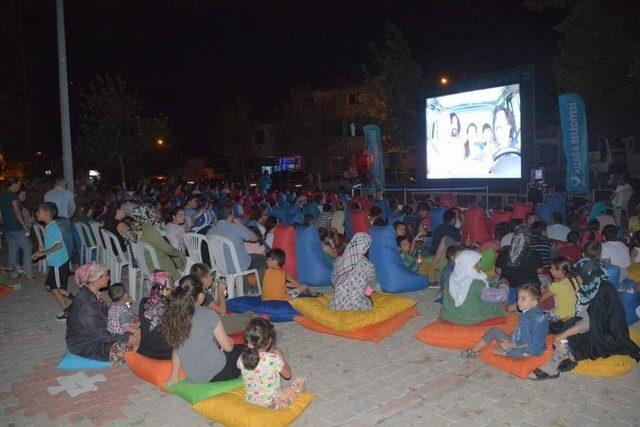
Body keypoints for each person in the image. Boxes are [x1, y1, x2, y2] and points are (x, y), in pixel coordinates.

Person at [530, 258, 640, 379]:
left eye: (578, 276)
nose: (577, 278)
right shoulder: (596, 286)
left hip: (609, 336)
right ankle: (571, 356)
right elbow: (587, 314)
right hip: (601, 327)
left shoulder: (603, 293)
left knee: (569, 338)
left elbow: (589, 322)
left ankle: (552, 367)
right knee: (568, 324)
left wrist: (564, 334)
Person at [163, 275, 245, 385]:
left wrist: (173, 377)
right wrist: (230, 340)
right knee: (245, 349)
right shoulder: (208, 314)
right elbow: (228, 348)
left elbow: (176, 347)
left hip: (194, 377)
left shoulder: (175, 315)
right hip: (220, 372)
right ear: (200, 296)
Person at [66, 262, 137, 364]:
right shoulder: (88, 304)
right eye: (105, 275)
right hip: (86, 344)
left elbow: (103, 315)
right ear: (96, 279)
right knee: (128, 348)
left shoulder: (92, 293)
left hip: (98, 332)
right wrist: (127, 336)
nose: (108, 278)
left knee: (131, 319)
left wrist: (122, 310)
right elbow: (101, 336)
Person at [462, 283, 548, 359]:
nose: (518, 301)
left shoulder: (526, 318)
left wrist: (510, 345)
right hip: (538, 348)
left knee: (495, 332)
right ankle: (475, 351)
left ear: (534, 303)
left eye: (523, 299)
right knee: (498, 333)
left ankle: (472, 351)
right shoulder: (538, 312)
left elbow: (528, 343)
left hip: (526, 351)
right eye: (518, 297)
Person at [238, 318, 307, 409]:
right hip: (272, 403)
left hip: (251, 400)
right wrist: (282, 358)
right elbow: (288, 375)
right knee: (301, 380)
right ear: (270, 340)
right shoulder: (272, 359)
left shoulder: (242, 357)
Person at [440, 250, 506, 324]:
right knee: (497, 303)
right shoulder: (476, 283)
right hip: (472, 318)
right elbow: (500, 296)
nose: (480, 265)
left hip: (450, 315)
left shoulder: (450, 278)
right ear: (469, 265)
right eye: (476, 263)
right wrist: (504, 285)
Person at [207, 206, 266, 285]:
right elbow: (255, 238)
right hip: (238, 265)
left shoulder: (210, 232)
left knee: (244, 257)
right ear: (230, 216)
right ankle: (254, 287)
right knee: (263, 259)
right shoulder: (236, 227)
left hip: (220, 266)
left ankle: (242, 285)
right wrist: (240, 225)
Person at [32, 203, 70, 319]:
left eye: (39, 211)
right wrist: (41, 252)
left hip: (58, 262)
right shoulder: (49, 226)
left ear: (46, 214)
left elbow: (58, 246)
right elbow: (53, 244)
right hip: (55, 262)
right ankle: (76, 300)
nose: (37, 213)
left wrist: (43, 253)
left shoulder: (52, 227)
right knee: (50, 286)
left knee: (56, 288)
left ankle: (68, 311)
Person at [189, 262, 252, 333]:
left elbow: (215, 307)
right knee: (247, 318)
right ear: (204, 279)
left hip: (198, 323)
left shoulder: (192, 288)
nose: (212, 277)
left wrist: (219, 293)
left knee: (243, 315)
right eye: (210, 275)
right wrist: (220, 292)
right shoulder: (202, 294)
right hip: (207, 326)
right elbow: (222, 311)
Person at [130, 205, 186, 280]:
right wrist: (179, 252)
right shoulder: (150, 230)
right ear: (149, 215)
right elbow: (167, 249)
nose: (156, 215)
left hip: (145, 264)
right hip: (159, 266)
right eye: (154, 213)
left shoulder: (134, 228)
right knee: (187, 262)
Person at [495, 225, 543, 304]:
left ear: (513, 236)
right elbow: (540, 271)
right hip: (528, 290)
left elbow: (498, 271)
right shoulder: (534, 253)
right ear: (527, 238)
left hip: (509, 289)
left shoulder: (503, 252)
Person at [329, 233, 376, 311]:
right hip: (359, 306)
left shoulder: (339, 260)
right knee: (370, 296)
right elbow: (371, 284)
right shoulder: (368, 265)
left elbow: (333, 281)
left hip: (337, 305)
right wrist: (368, 295)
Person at [1, 179, 33, 279]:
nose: (19, 186)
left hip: (7, 227)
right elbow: (17, 212)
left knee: (13, 249)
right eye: (19, 184)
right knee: (28, 246)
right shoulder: (12, 195)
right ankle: (29, 273)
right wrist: (24, 226)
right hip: (15, 226)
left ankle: (13, 272)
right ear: (13, 184)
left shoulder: (2, 195)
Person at [138, 271, 174, 360]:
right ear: (165, 288)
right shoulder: (173, 305)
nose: (173, 288)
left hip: (144, 351)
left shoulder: (143, 302)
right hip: (166, 354)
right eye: (171, 286)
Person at [44, 177, 76, 263]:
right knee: (66, 244)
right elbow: (72, 208)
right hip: (62, 221)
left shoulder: (47, 194)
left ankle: (54, 264)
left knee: (53, 243)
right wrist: (68, 217)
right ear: (64, 184)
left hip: (50, 221)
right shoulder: (68, 193)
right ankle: (64, 266)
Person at [544, 257, 579, 324]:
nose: (550, 270)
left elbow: (540, 299)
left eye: (552, 268)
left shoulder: (556, 286)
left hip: (560, 318)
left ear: (561, 271)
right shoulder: (573, 280)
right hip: (573, 315)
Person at [489, 106, 520, 176]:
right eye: (496, 119)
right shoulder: (490, 151)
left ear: (509, 125)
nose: (498, 121)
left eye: (501, 117)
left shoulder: (518, 147)